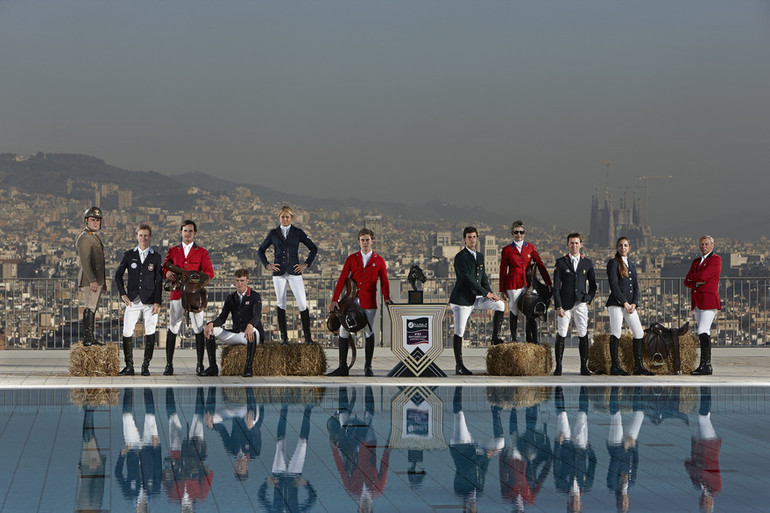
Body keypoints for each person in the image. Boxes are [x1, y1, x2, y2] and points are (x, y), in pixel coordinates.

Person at [327, 228, 392, 377]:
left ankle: (368, 367)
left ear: (372, 241)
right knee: (344, 329)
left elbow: (384, 282)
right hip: (351, 302)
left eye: (367, 240)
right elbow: (342, 279)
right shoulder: (351, 259)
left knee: (369, 332)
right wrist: (334, 299)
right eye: (362, 240)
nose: (365, 242)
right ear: (359, 242)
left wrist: (387, 297)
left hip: (369, 302)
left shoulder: (379, 260)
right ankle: (342, 367)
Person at [258, 205, 318, 344]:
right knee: (281, 304)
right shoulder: (273, 233)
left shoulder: (298, 232)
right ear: (279, 218)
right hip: (278, 273)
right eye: (282, 217)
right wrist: (267, 265)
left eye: (287, 217)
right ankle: (284, 338)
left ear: (291, 218)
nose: (285, 219)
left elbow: (313, 248)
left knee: (302, 304)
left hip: (294, 272)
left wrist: (306, 264)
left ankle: (308, 338)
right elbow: (261, 250)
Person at [449, 226, 505, 375]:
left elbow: (483, 277)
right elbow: (467, 279)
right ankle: (459, 365)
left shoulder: (479, 256)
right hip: (462, 299)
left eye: (474, 237)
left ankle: (495, 337)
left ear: (477, 238)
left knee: (500, 304)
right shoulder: (460, 257)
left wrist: (491, 293)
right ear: (464, 239)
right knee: (459, 331)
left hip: (476, 297)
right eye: (469, 237)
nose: (472, 239)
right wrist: (486, 293)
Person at [162, 220, 215, 376]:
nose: (188, 233)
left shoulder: (202, 252)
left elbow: (209, 273)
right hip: (177, 293)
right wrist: (167, 274)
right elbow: (164, 267)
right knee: (173, 327)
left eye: (190, 231)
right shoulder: (172, 251)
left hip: (194, 295)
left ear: (195, 233)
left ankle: (199, 364)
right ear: (181, 232)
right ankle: (169, 364)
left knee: (198, 328)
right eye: (185, 231)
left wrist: (195, 280)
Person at [114, 224, 163, 376]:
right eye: (141, 235)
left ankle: (145, 366)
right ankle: (129, 366)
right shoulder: (129, 255)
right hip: (132, 300)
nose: (143, 238)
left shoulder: (156, 257)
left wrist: (157, 302)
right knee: (127, 331)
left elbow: (159, 281)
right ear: (136, 236)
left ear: (150, 237)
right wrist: (122, 293)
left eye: (146, 235)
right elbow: (118, 275)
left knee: (150, 331)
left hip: (150, 301)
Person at [203, 269, 264, 377]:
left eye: (242, 281)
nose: (240, 284)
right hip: (237, 333)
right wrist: (211, 323)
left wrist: (250, 325)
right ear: (234, 282)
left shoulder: (255, 296)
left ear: (247, 281)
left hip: (252, 334)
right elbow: (222, 318)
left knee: (252, 332)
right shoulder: (230, 298)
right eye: (237, 281)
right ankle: (213, 367)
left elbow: (257, 315)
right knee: (211, 331)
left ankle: (248, 367)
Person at [499, 220, 552, 343]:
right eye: (516, 232)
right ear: (512, 233)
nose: (519, 235)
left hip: (528, 283)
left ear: (524, 233)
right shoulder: (507, 250)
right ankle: (514, 339)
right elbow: (502, 270)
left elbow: (540, 265)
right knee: (514, 309)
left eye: (521, 232)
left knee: (530, 310)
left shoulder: (530, 248)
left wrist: (548, 282)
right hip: (513, 284)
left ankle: (532, 340)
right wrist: (502, 289)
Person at [605, 237, 652, 376]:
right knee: (616, 332)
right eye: (620, 245)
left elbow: (636, 287)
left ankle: (638, 366)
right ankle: (615, 366)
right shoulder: (613, 263)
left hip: (630, 305)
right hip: (616, 304)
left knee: (639, 332)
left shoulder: (631, 265)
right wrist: (624, 302)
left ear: (629, 247)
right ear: (617, 248)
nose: (623, 248)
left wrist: (634, 303)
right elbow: (613, 285)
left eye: (625, 245)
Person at [552, 233, 597, 376]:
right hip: (565, 305)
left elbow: (593, 285)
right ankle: (558, 367)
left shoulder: (587, 262)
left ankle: (584, 367)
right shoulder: (560, 262)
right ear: (567, 245)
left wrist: (588, 298)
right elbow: (556, 287)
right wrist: (558, 306)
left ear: (581, 245)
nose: (574, 245)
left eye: (576, 243)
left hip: (580, 303)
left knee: (583, 333)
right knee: (562, 333)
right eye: (571, 243)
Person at [685, 236, 722, 376]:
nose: (703, 246)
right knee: (703, 331)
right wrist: (696, 280)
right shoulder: (696, 261)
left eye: (706, 244)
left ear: (712, 245)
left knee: (702, 330)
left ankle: (706, 365)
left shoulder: (716, 259)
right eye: (701, 244)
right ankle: (705, 365)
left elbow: (704, 276)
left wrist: (694, 278)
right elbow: (686, 281)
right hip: (697, 301)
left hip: (708, 300)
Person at [76, 206, 106, 346]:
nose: (96, 223)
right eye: (93, 220)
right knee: (90, 307)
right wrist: (93, 280)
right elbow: (85, 261)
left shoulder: (93, 237)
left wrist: (102, 282)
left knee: (93, 308)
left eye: (98, 221)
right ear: (86, 220)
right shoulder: (85, 238)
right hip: (90, 281)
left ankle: (90, 337)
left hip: (96, 280)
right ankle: (88, 338)